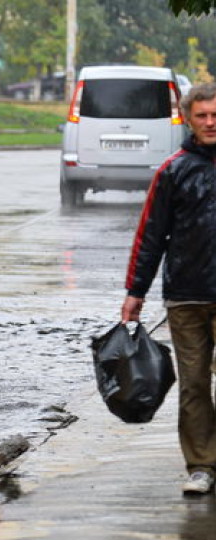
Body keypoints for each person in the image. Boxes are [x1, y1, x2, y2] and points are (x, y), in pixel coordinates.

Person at [122, 82, 216, 495]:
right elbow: (151, 235)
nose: (211, 122)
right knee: (194, 385)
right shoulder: (173, 170)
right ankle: (201, 465)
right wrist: (135, 293)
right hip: (187, 297)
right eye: (203, 115)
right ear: (188, 119)